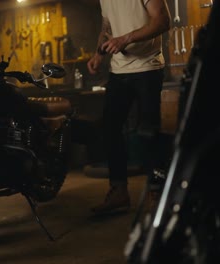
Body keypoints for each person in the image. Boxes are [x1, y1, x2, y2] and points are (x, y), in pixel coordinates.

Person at [87, 0, 171, 214]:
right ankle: (119, 191)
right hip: (119, 71)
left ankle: (156, 192)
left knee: (149, 131)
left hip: (147, 68)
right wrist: (99, 54)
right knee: (109, 127)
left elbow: (162, 20)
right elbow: (106, 27)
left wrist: (126, 38)